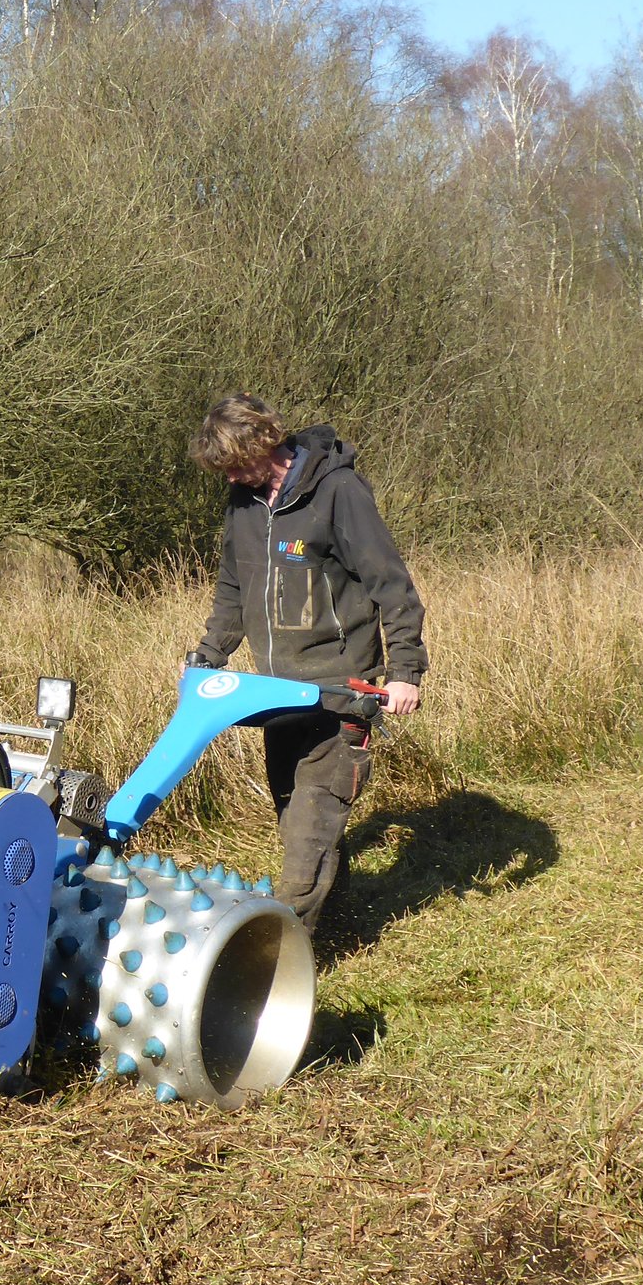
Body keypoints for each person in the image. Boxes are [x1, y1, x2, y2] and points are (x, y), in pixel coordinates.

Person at [185, 392, 428, 933]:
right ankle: (339, 928)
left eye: (233, 465)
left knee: (305, 841)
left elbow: (392, 584)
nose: (228, 479)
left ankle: (279, 961)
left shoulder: (338, 492)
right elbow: (233, 589)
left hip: (341, 690)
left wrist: (405, 670)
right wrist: (210, 653)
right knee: (300, 822)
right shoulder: (244, 506)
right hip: (276, 694)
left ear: (262, 444)